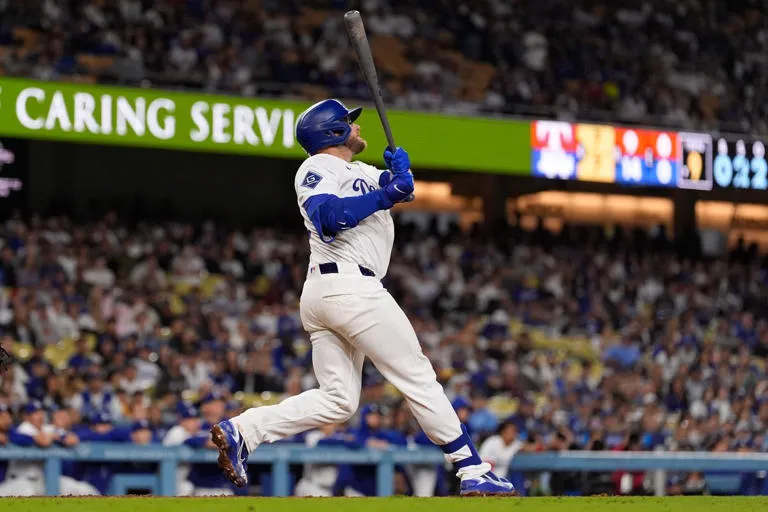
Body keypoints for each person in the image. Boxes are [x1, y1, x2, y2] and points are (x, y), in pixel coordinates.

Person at [210, 99, 515, 496]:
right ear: (332, 131)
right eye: (349, 123)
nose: (357, 126)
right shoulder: (316, 167)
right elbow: (328, 217)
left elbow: (396, 191)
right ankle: (471, 468)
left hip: (333, 292)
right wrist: (388, 195)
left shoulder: (359, 170)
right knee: (416, 373)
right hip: (349, 287)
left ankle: (244, 431)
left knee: (338, 401)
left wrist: (400, 177)